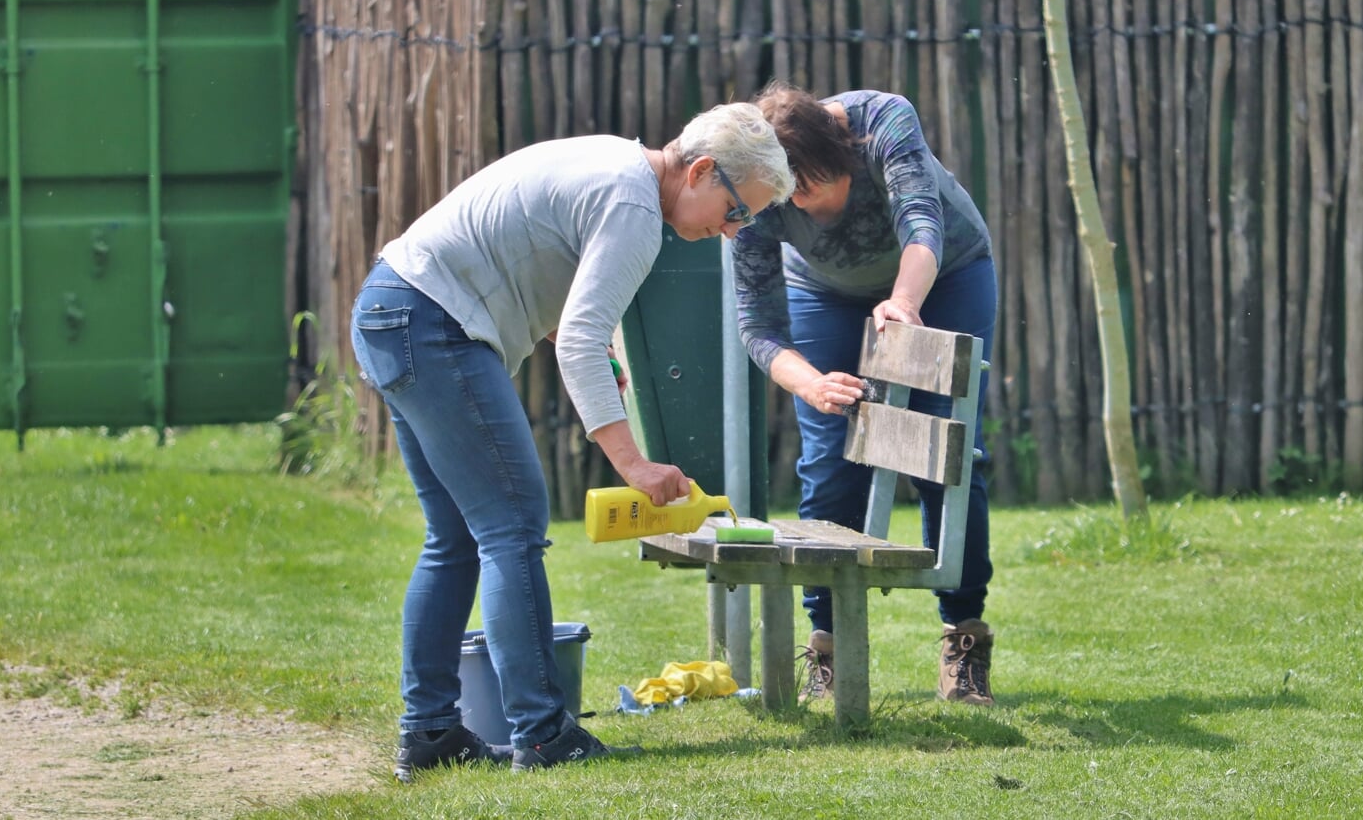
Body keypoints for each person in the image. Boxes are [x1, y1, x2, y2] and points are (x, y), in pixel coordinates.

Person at [350, 103, 794, 781]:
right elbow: (585, 341)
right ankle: (540, 732)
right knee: (511, 525)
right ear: (701, 170)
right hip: (431, 320)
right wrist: (635, 464)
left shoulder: (617, 164)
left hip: (392, 306)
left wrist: (565, 331)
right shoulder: (637, 209)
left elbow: (534, 258)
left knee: (457, 534)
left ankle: (431, 729)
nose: (733, 233)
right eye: (735, 211)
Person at [731, 81, 998, 706]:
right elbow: (758, 325)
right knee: (830, 461)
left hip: (943, 275)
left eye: (817, 186)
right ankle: (828, 643)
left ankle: (965, 637)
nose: (806, 204)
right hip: (822, 294)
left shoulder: (882, 122)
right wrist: (810, 382)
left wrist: (904, 304)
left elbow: (921, 222)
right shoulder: (751, 191)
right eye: (790, 193)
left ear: (843, 150)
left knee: (947, 457)